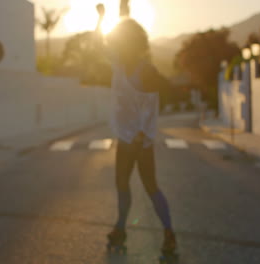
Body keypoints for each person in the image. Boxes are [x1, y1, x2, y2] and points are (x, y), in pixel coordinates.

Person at [101, 16, 177, 255]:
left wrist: (142, 134)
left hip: (139, 141)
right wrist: (100, 19)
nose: (114, 45)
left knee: (150, 186)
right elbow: (98, 45)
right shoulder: (119, 64)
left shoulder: (146, 70)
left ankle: (168, 234)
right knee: (122, 185)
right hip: (126, 138)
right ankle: (121, 228)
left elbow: (152, 105)